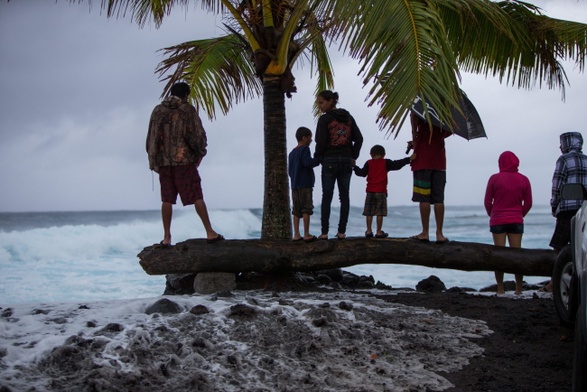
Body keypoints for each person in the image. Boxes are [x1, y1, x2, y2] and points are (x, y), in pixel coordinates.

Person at [146, 82, 223, 246]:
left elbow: (151, 137)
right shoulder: (187, 110)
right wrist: (200, 152)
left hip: (164, 162)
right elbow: (195, 134)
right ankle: (210, 232)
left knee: (167, 199)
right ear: (186, 94)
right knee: (196, 196)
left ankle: (166, 237)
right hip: (184, 161)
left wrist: (153, 160)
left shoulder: (158, 110)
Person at [314, 90, 363, 240]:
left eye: (321, 102)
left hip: (330, 160)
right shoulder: (348, 117)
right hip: (346, 162)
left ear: (330, 101)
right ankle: (341, 232)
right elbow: (359, 138)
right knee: (344, 197)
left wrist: (318, 157)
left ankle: (324, 232)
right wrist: (353, 156)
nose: (319, 106)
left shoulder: (324, 119)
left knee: (327, 196)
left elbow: (320, 142)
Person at [484, 151, 533, 295]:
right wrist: (519, 214)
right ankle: (518, 289)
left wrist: (493, 215)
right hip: (516, 220)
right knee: (517, 256)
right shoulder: (524, 179)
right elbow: (528, 203)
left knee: (499, 256)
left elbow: (487, 201)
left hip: (498, 220)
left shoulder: (494, 178)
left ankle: (500, 288)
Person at [546, 131, 587, 291]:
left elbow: (557, 184)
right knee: (582, 246)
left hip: (567, 209)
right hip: (584, 210)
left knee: (558, 247)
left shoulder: (563, 159)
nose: (560, 146)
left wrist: (554, 205)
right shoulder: (586, 160)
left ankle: (553, 283)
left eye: (562, 143)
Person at [407, 112, 451, 243]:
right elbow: (449, 131)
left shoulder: (422, 114)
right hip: (439, 163)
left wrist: (414, 134)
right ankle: (439, 233)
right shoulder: (444, 119)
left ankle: (425, 232)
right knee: (439, 199)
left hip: (422, 162)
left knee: (423, 198)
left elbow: (413, 118)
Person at [354, 144, 415, 238]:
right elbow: (397, 164)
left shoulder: (369, 163)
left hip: (370, 191)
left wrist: (355, 167)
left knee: (369, 212)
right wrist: (409, 159)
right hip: (381, 192)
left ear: (371, 154)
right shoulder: (385, 162)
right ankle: (378, 232)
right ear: (384, 154)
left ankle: (369, 231)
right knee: (380, 212)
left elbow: (361, 173)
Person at [288, 126, 320, 242]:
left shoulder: (292, 153)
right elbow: (307, 163)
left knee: (296, 210)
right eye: (309, 138)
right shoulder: (305, 149)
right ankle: (306, 234)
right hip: (305, 184)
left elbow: (290, 171)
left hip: (294, 185)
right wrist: (318, 159)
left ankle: (296, 234)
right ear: (304, 137)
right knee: (306, 209)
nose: (311, 140)